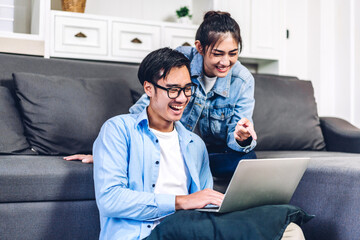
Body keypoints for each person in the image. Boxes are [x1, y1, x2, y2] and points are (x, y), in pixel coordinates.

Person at [93, 47, 307, 240]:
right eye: (173, 89)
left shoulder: (194, 144)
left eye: (187, 89)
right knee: (182, 224)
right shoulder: (118, 130)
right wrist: (182, 201)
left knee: (287, 227)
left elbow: (203, 206)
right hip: (144, 234)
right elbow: (110, 199)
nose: (182, 98)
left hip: (191, 230)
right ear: (149, 88)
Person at [65, 11, 258, 177]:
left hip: (213, 155)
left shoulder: (243, 80)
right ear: (199, 47)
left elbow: (238, 135)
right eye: (218, 53)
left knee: (248, 161)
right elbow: (146, 107)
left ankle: (186, 168)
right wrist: (105, 153)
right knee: (158, 151)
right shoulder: (180, 62)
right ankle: (182, 166)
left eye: (233, 53)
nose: (226, 61)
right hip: (176, 147)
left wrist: (242, 138)